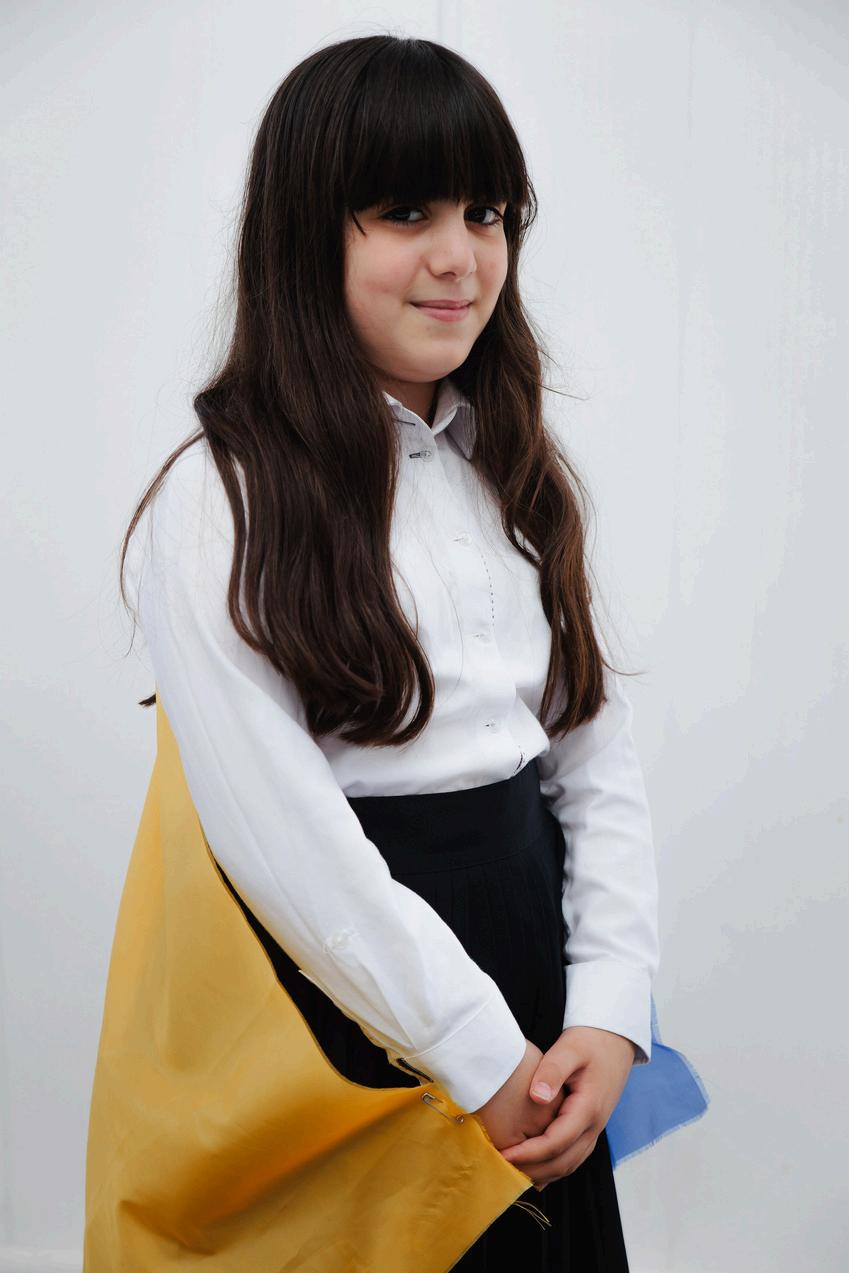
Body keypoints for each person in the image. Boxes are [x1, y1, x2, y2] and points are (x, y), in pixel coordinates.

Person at [107, 33, 703, 1270]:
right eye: (404, 212)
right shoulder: (222, 500)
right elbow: (286, 841)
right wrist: (481, 1057)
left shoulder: (513, 465)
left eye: (485, 213)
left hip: (531, 955)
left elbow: (589, 750)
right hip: (356, 1004)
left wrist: (608, 1007)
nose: (459, 257)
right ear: (303, 235)